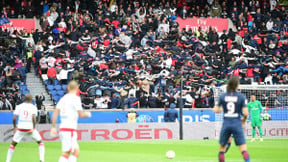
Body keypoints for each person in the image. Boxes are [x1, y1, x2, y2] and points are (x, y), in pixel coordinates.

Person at [50, 80, 91, 162]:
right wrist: (87, 114)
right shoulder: (75, 99)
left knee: (75, 151)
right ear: (77, 88)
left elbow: (55, 113)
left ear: (68, 88)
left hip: (63, 128)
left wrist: (53, 127)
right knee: (68, 152)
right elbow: (81, 114)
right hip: (70, 129)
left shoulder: (63, 99)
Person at [213, 76, 250, 162]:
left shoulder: (223, 96)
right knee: (243, 149)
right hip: (237, 123)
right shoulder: (241, 97)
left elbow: (216, 110)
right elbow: (246, 113)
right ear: (237, 85)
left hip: (226, 123)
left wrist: (222, 109)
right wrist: (243, 121)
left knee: (222, 149)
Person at [6, 94, 45, 162]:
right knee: (40, 142)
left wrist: (15, 127)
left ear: (24, 99)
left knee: (13, 144)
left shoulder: (19, 106)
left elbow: (14, 118)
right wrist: (33, 128)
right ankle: (42, 159)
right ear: (31, 99)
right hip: (29, 127)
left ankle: (7, 160)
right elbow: (33, 118)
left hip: (20, 128)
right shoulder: (33, 107)